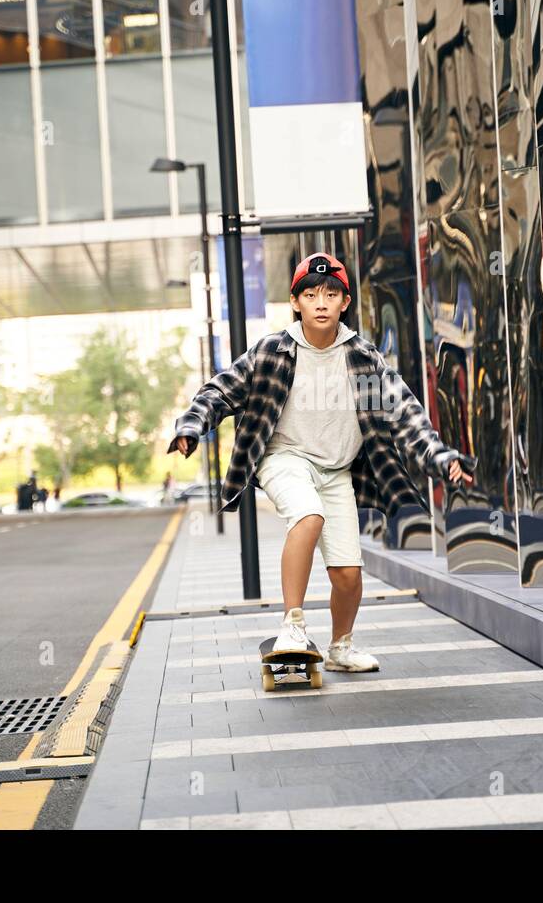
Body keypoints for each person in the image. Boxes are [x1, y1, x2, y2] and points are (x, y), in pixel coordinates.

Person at [169, 252, 474, 671]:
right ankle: (292, 625)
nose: (321, 302)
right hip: (284, 458)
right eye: (310, 294)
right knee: (307, 516)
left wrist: (441, 459)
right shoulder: (273, 350)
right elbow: (220, 391)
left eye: (331, 294)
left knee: (348, 574)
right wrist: (192, 426)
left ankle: (340, 648)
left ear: (344, 303)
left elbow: (407, 415)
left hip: (337, 472)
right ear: (296, 302)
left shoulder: (364, 359)